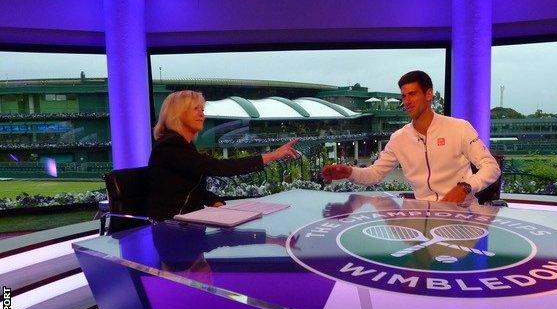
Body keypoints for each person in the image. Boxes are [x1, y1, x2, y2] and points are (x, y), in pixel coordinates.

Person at [322, 70, 500, 205]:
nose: (406, 101)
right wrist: (349, 172)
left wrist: (465, 187)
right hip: (423, 215)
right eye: (404, 96)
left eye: (412, 94)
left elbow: (491, 167)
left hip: (462, 213)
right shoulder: (399, 138)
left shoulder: (459, 128)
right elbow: (375, 174)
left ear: (429, 94)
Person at [146, 90, 299, 221]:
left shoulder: (184, 145)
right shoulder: (170, 146)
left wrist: (213, 200)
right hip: (172, 229)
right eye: (196, 109)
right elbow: (218, 167)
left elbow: (188, 188)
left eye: (203, 110)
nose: (202, 114)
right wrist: (272, 155)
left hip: (189, 223)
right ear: (178, 114)